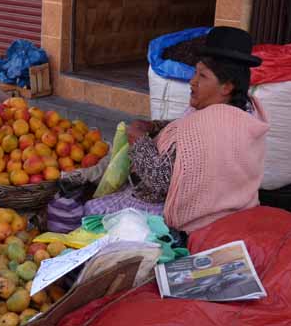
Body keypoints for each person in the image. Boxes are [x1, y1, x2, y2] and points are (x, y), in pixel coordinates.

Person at [82, 26, 269, 233]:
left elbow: (159, 180)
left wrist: (139, 140)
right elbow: (185, 130)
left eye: (202, 76)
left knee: (90, 211)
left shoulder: (209, 125)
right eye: (195, 73)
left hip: (182, 214)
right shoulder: (245, 112)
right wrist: (155, 126)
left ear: (227, 87)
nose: (192, 81)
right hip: (232, 209)